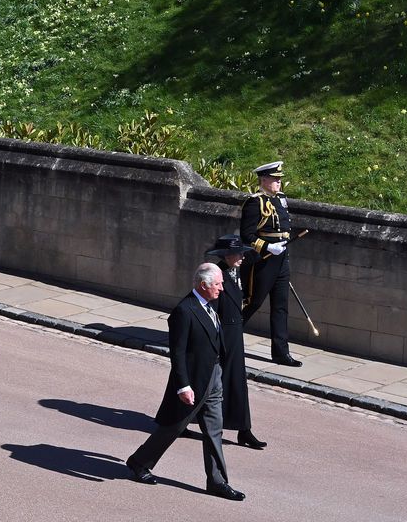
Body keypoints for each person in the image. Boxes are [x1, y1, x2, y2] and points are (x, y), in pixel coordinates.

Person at [126, 263, 245, 501]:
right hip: (192, 382)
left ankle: (217, 481)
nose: (222, 288)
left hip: (214, 378)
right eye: (218, 284)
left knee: (214, 431)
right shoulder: (185, 310)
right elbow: (177, 353)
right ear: (203, 285)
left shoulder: (211, 306)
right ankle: (139, 462)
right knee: (174, 427)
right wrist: (183, 386)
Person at [206, 234, 267, 450]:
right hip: (222, 334)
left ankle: (244, 429)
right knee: (205, 380)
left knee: (237, 382)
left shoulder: (235, 270)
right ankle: (180, 419)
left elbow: (257, 259)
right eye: (239, 253)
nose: (243, 256)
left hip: (234, 334)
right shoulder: (217, 274)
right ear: (227, 255)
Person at [240, 161, 300, 367]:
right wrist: (267, 247)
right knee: (252, 302)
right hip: (263, 260)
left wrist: (281, 247)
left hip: (281, 258)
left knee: (281, 307)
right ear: (263, 180)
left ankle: (281, 353)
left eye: (279, 179)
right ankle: (224, 339)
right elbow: (246, 235)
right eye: (275, 179)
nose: (278, 182)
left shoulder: (281, 199)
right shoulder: (254, 202)